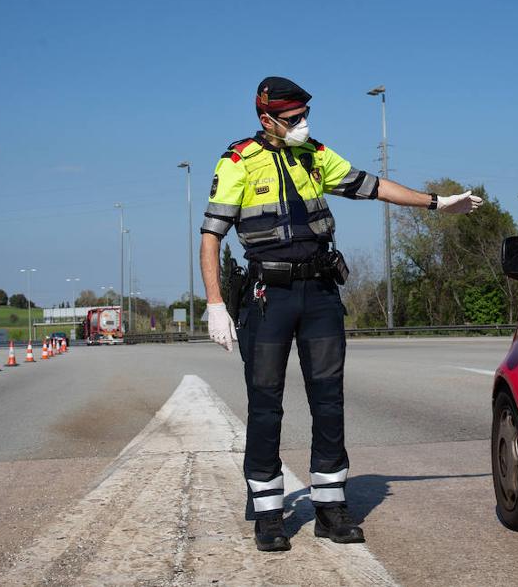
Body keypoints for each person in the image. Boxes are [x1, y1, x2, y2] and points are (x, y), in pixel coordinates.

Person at [199, 76, 483, 552]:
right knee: (265, 402)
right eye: (292, 120)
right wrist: (215, 304)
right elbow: (212, 237)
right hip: (270, 296)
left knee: (328, 399)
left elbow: (371, 186)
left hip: (321, 293)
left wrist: (437, 202)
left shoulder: (315, 155)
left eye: (305, 117)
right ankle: (269, 512)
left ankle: (331, 508)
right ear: (266, 119)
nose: (302, 125)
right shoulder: (237, 162)